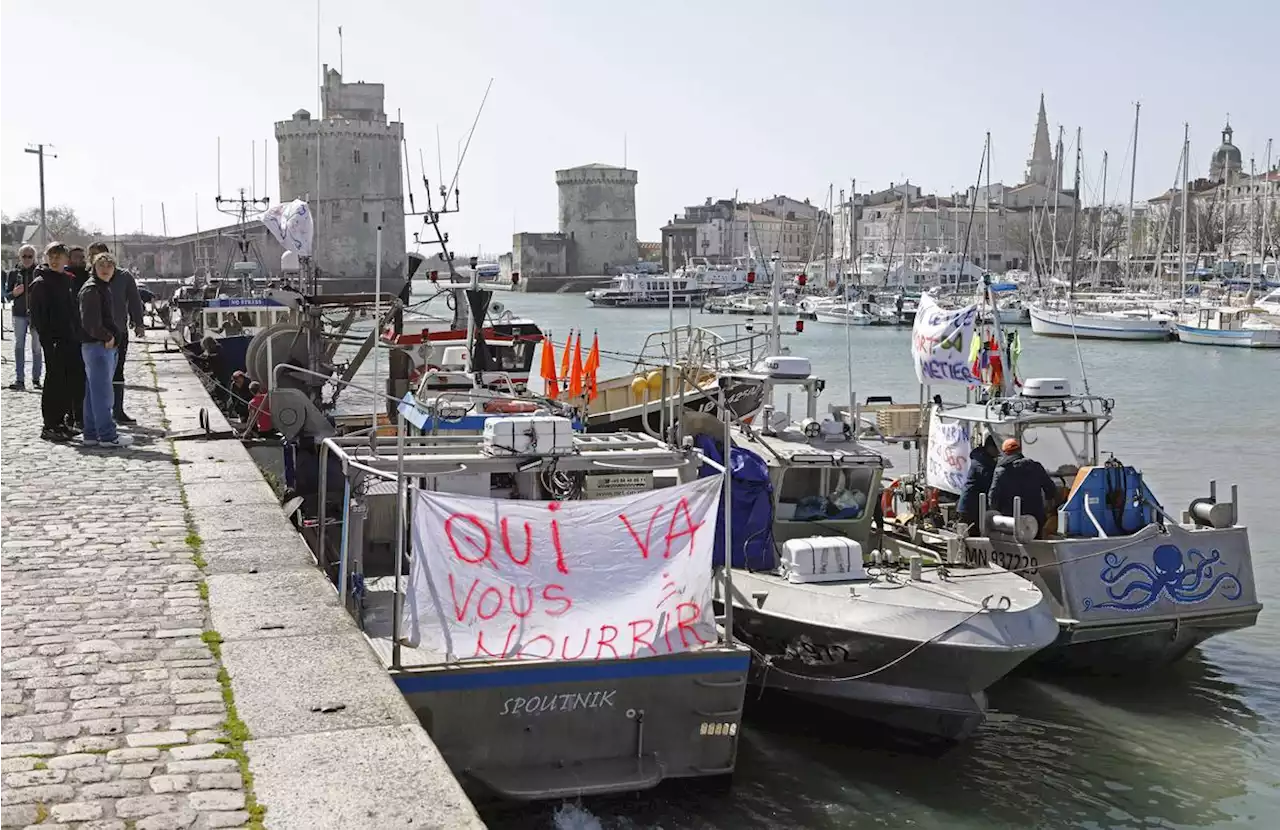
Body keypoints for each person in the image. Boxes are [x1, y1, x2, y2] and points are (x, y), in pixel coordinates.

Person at [27, 243, 82, 441]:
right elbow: (38, 317)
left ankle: (61, 422)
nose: (55, 259)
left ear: (66, 259)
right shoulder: (41, 283)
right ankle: (49, 424)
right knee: (54, 383)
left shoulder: (67, 280)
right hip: (54, 341)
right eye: (51, 255)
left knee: (68, 382)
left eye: (59, 256)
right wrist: (48, 341)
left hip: (70, 338)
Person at [77, 252, 132, 449]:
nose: (106, 269)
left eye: (110, 266)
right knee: (102, 394)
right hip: (98, 346)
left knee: (93, 393)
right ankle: (108, 435)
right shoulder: (92, 289)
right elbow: (90, 322)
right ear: (94, 267)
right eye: (102, 265)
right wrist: (107, 337)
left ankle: (91, 433)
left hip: (96, 345)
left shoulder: (101, 287)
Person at [88, 242, 145, 423]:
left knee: (117, 371)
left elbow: (135, 300)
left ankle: (117, 410)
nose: (97, 260)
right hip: (93, 334)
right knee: (95, 374)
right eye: (93, 256)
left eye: (100, 255)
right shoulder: (87, 278)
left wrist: (139, 323)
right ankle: (94, 414)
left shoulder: (124, 276)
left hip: (119, 331)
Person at [988, 438, 1058, 537]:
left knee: (1012, 548)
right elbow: (1051, 489)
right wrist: (1048, 507)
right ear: (1020, 450)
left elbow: (993, 496)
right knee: (1037, 547)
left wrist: (995, 514)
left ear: (1005, 453)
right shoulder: (1035, 467)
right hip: (1034, 520)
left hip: (1010, 520)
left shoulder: (1000, 471)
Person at [5, 244, 42, 389]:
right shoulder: (14, 273)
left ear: (34, 257)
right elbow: (6, 296)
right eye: (24, 256)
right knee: (19, 346)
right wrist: (14, 293)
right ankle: (19, 378)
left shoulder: (39, 272)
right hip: (19, 314)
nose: (27, 259)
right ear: (19, 257)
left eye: (30, 256)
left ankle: (36, 378)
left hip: (36, 314)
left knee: (37, 347)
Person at [956, 434, 1000, 532]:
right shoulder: (981, 463)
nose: (998, 452)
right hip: (971, 507)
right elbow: (988, 482)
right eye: (996, 449)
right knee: (970, 536)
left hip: (974, 506)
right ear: (990, 447)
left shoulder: (983, 459)